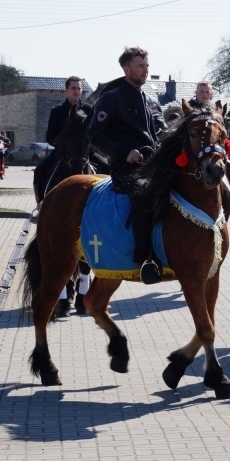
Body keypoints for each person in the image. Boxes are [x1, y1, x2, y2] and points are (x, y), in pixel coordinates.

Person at [88, 46, 166, 284]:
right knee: (143, 194)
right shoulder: (112, 97)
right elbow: (94, 134)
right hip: (126, 167)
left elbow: (155, 133)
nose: (145, 70)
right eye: (140, 66)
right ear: (126, 68)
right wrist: (124, 153)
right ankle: (146, 260)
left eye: (147, 65)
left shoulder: (147, 98)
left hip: (151, 163)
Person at [33, 76, 94, 204]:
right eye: (73, 88)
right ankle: (41, 206)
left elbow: (95, 133)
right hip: (62, 153)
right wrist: (65, 143)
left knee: (108, 168)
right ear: (66, 91)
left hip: (85, 153)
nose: (76, 91)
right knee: (39, 171)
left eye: (79, 88)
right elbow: (50, 137)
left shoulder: (89, 110)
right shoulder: (57, 111)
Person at [188, 80, 230, 214]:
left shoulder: (216, 111)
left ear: (211, 94)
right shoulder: (189, 108)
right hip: (193, 150)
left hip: (213, 149)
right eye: (201, 91)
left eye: (207, 92)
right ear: (196, 93)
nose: (204, 94)